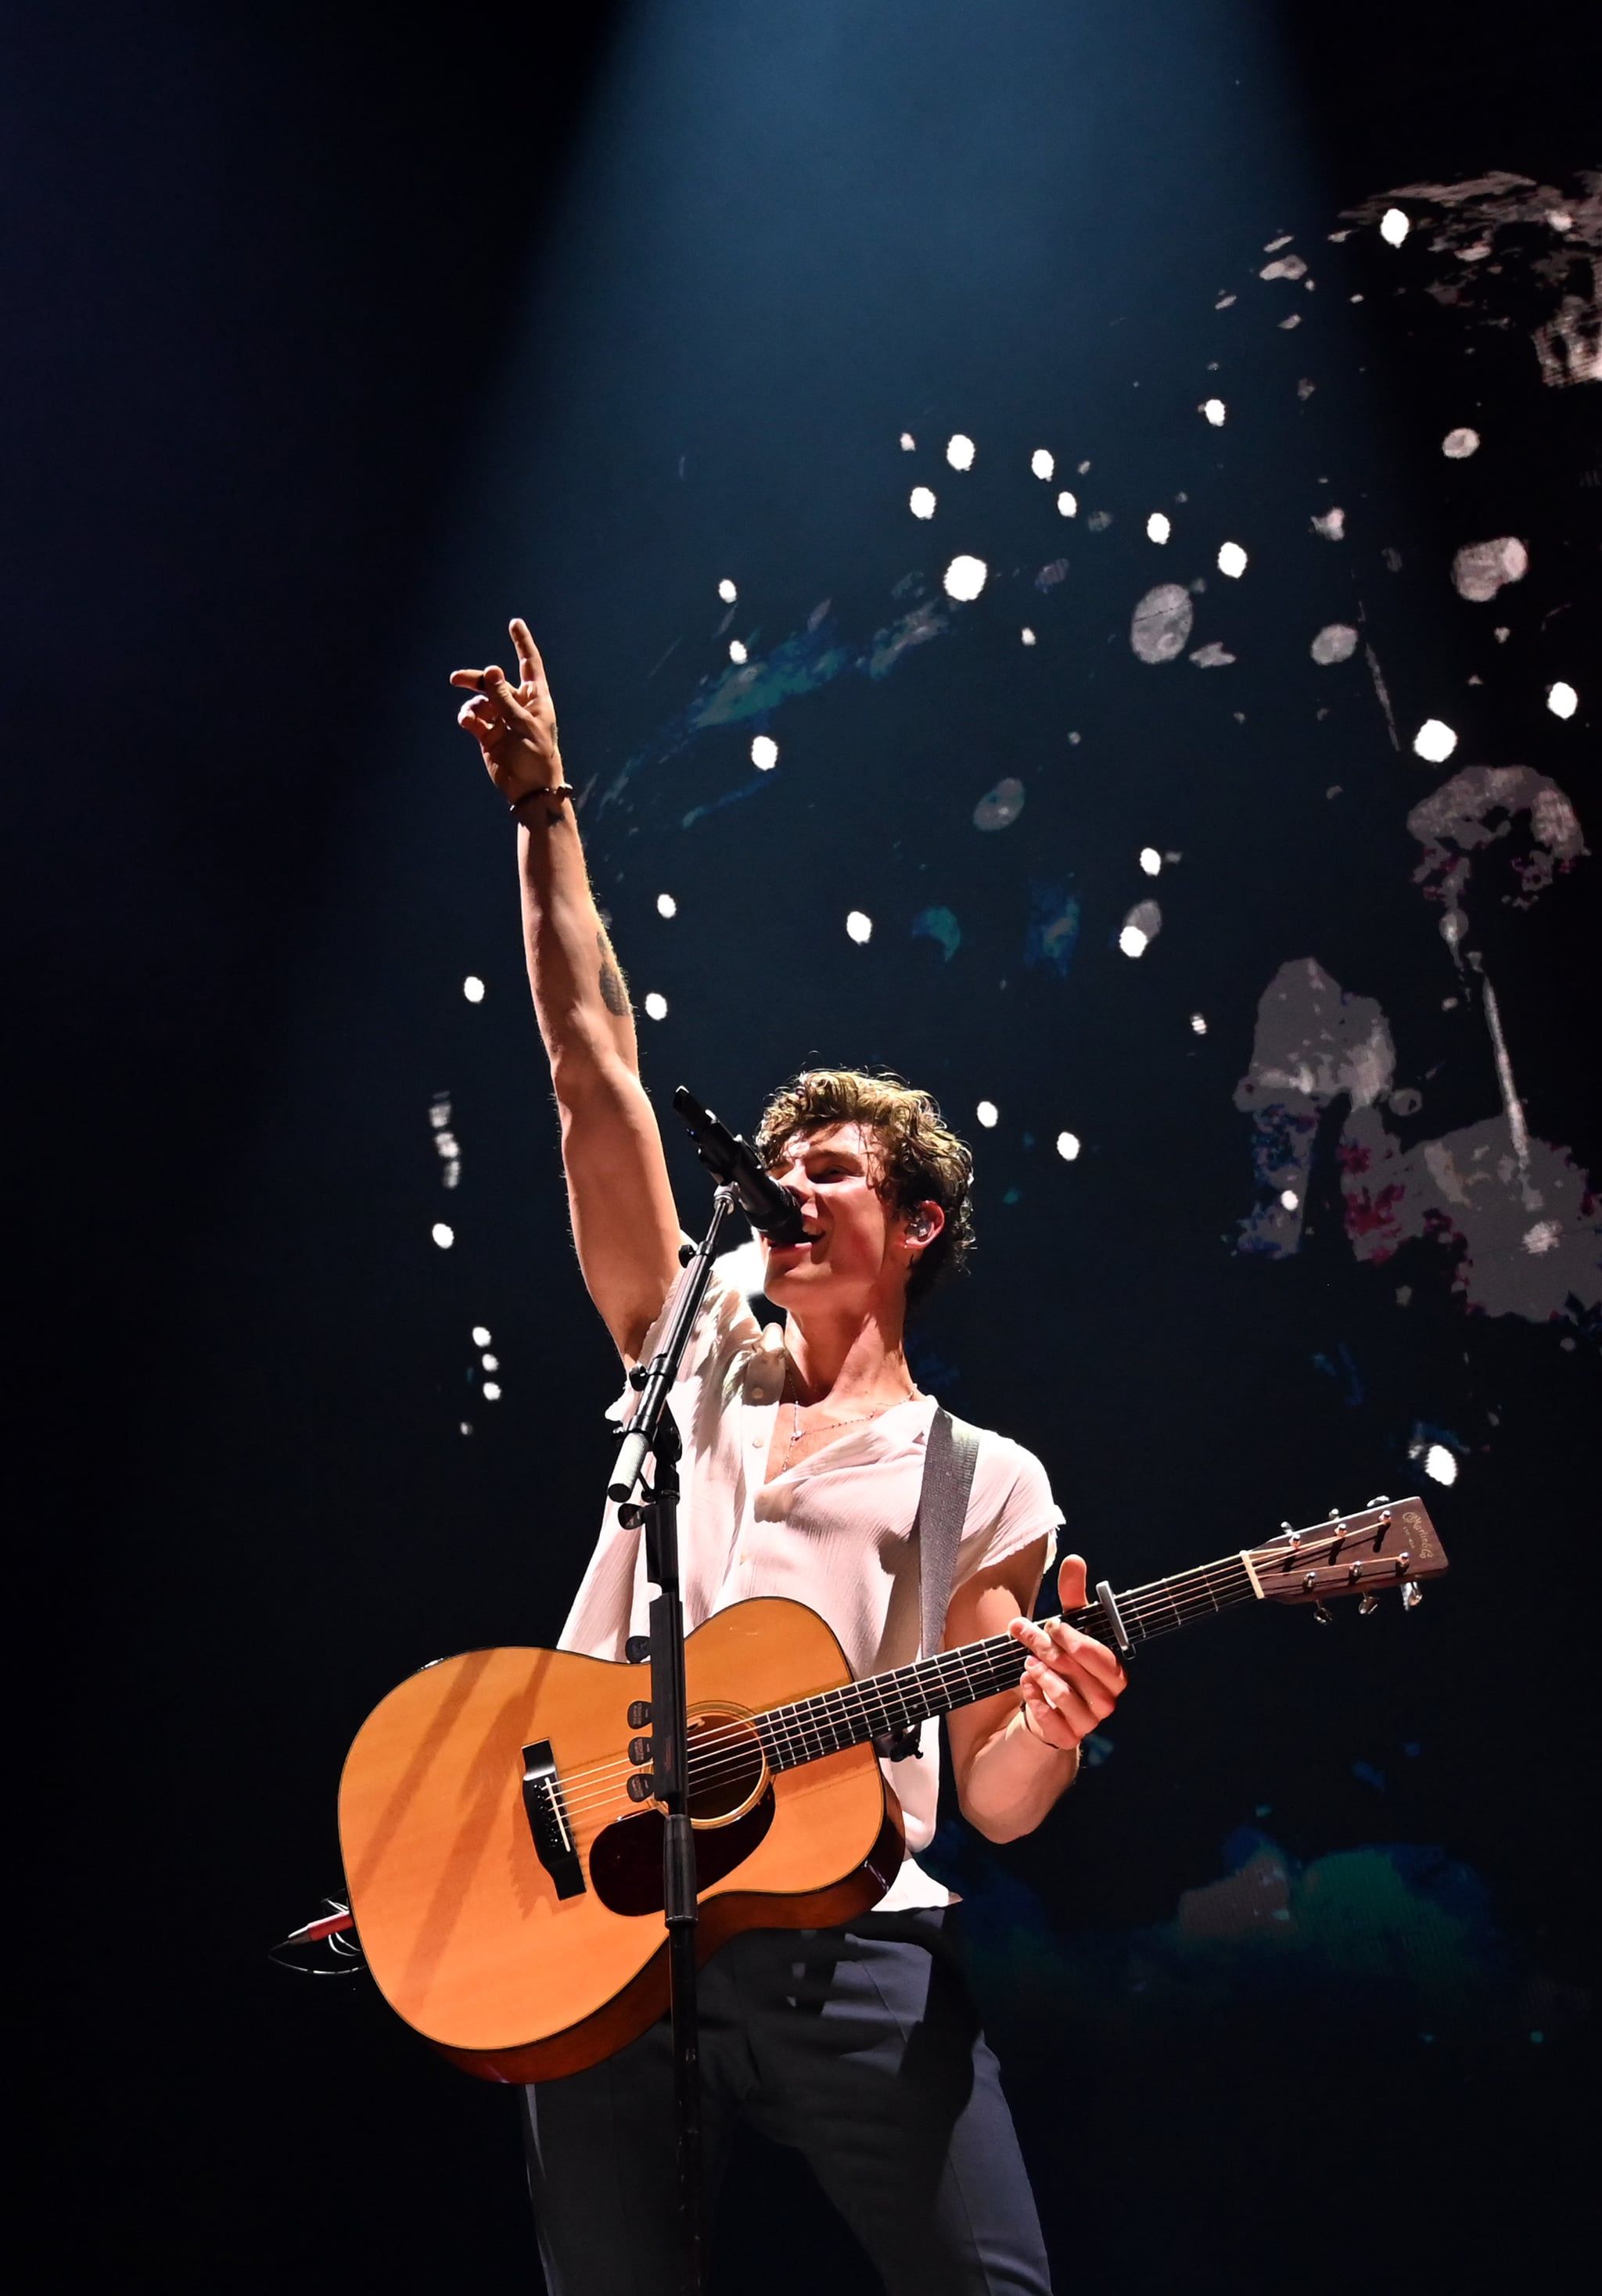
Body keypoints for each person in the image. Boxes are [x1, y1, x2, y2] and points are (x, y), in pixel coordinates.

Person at [451, 622, 1129, 2296]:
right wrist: (547, 819)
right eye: (770, 1160)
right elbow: (590, 1068)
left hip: (848, 1946)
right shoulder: (686, 1350)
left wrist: (1056, 1721)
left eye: (826, 1165)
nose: (784, 1182)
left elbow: (990, 1794)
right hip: (608, 1914)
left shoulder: (983, 1474)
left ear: (916, 1220)